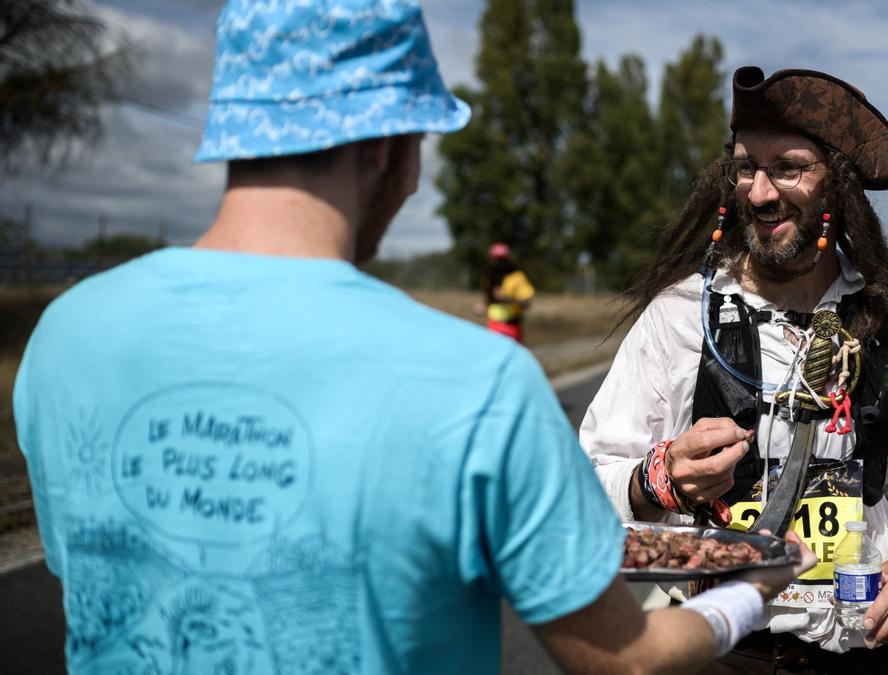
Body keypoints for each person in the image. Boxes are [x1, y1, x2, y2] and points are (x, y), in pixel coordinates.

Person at [12, 4, 813, 674]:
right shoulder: (476, 382)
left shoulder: (66, 334)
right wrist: (756, 586)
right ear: (391, 147)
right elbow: (623, 657)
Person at [582, 66, 888, 673]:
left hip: (861, 649)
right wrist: (657, 481)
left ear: (837, 186)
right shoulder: (682, 315)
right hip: (717, 650)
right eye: (745, 168)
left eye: (788, 167)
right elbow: (589, 480)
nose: (760, 193)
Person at [480, 242, 535, 342]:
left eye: (501, 258)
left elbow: (526, 302)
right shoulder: (489, 275)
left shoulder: (517, 276)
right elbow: (488, 298)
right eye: (496, 258)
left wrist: (507, 299)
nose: (498, 261)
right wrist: (484, 306)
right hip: (493, 325)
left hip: (511, 326)